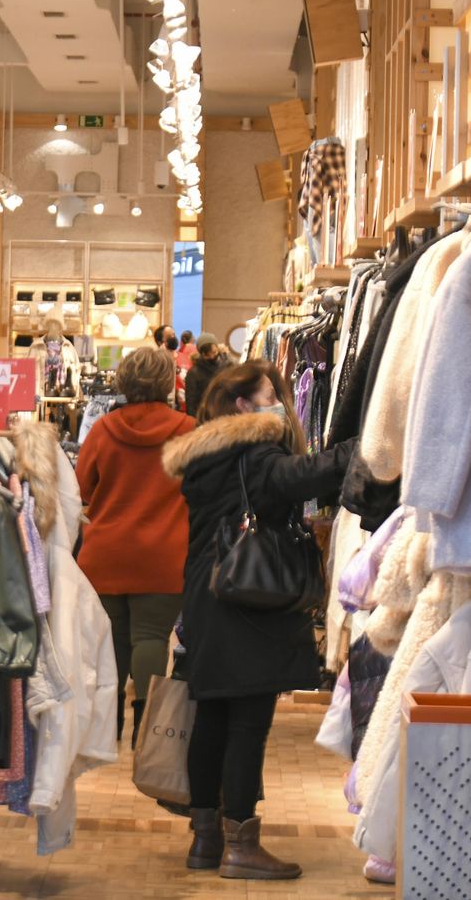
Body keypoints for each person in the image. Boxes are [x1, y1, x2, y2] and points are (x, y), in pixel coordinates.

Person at [160, 361, 352, 880]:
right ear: (243, 406)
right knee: (248, 724)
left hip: (207, 593)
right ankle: (241, 844)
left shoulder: (207, 455)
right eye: (270, 393)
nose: (278, 403)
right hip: (245, 604)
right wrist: (358, 449)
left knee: (214, 718)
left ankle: (205, 841)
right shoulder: (254, 452)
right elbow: (297, 477)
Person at [75, 348, 195, 744]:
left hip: (105, 554)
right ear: (166, 382)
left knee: (111, 641)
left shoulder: (103, 430)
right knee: (151, 638)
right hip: (164, 554)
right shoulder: (188, 429)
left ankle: (107, 729)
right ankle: (147, 730)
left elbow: (82, 488)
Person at [183, 332, 228, 419]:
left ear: (217, 348)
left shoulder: (229, 365)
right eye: (207, 355)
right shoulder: (194, 373)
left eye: (214, 352)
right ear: (201, 354)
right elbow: (191, 402)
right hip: (204, 418)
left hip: (226, 415)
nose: (211, 357)